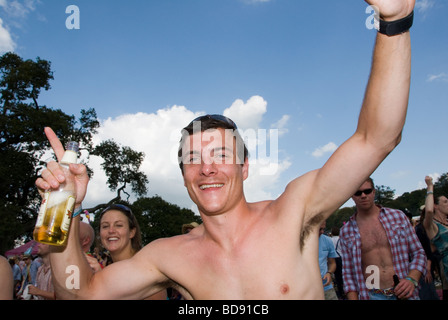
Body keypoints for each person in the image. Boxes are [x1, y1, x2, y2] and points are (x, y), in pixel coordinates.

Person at [38, 0, 415, 300]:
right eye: (193, 159)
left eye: (220, 155)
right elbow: (81, 295)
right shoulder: (168, 256)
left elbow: (377, 138)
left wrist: (395, 21)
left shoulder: (294, 212)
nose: (207, 169)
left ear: (244, 167)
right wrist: (61, 207)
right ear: (183, 175)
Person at [339, 177, 427, 300]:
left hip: (403, 291)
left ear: (374, 192)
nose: (363, 195)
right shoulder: (346, 231)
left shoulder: (398, 217)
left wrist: (411, 279)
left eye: (367, 191)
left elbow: (419, 253)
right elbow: (348, 273)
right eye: (358, 193)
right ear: (352, 196)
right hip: (371, 294)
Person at [85, 204, 167, 300]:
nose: (111, 230)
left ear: (132, 232)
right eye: (105, 226)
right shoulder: (107, 267)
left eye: (118, 225)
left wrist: (103, 281)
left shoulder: (147, 268)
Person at [424, 176, 448, 299]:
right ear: (436, 206)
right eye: (445, 202)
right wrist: (430, 187)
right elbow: (428, 211)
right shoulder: (433, 226)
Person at [415, 205, 440, 300]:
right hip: (425, 265)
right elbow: (424, 250)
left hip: (429, 263)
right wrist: (428, 268)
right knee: (428, 291)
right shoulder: (421, 229)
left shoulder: (426, 228)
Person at [318, 223, 338, 300]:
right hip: (306, 289)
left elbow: (332, 263)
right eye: (320, 229)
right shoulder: (299, 241)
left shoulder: (327, 240)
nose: (322, 232)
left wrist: (329, 273)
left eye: (323, 229)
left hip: (326, 286)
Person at [330, 226, 345, 299]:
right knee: (343, 275)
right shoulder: (340, 239)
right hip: (341, 258)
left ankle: (340, 293)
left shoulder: (330, 240)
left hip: (334, 259)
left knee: (337, 277)